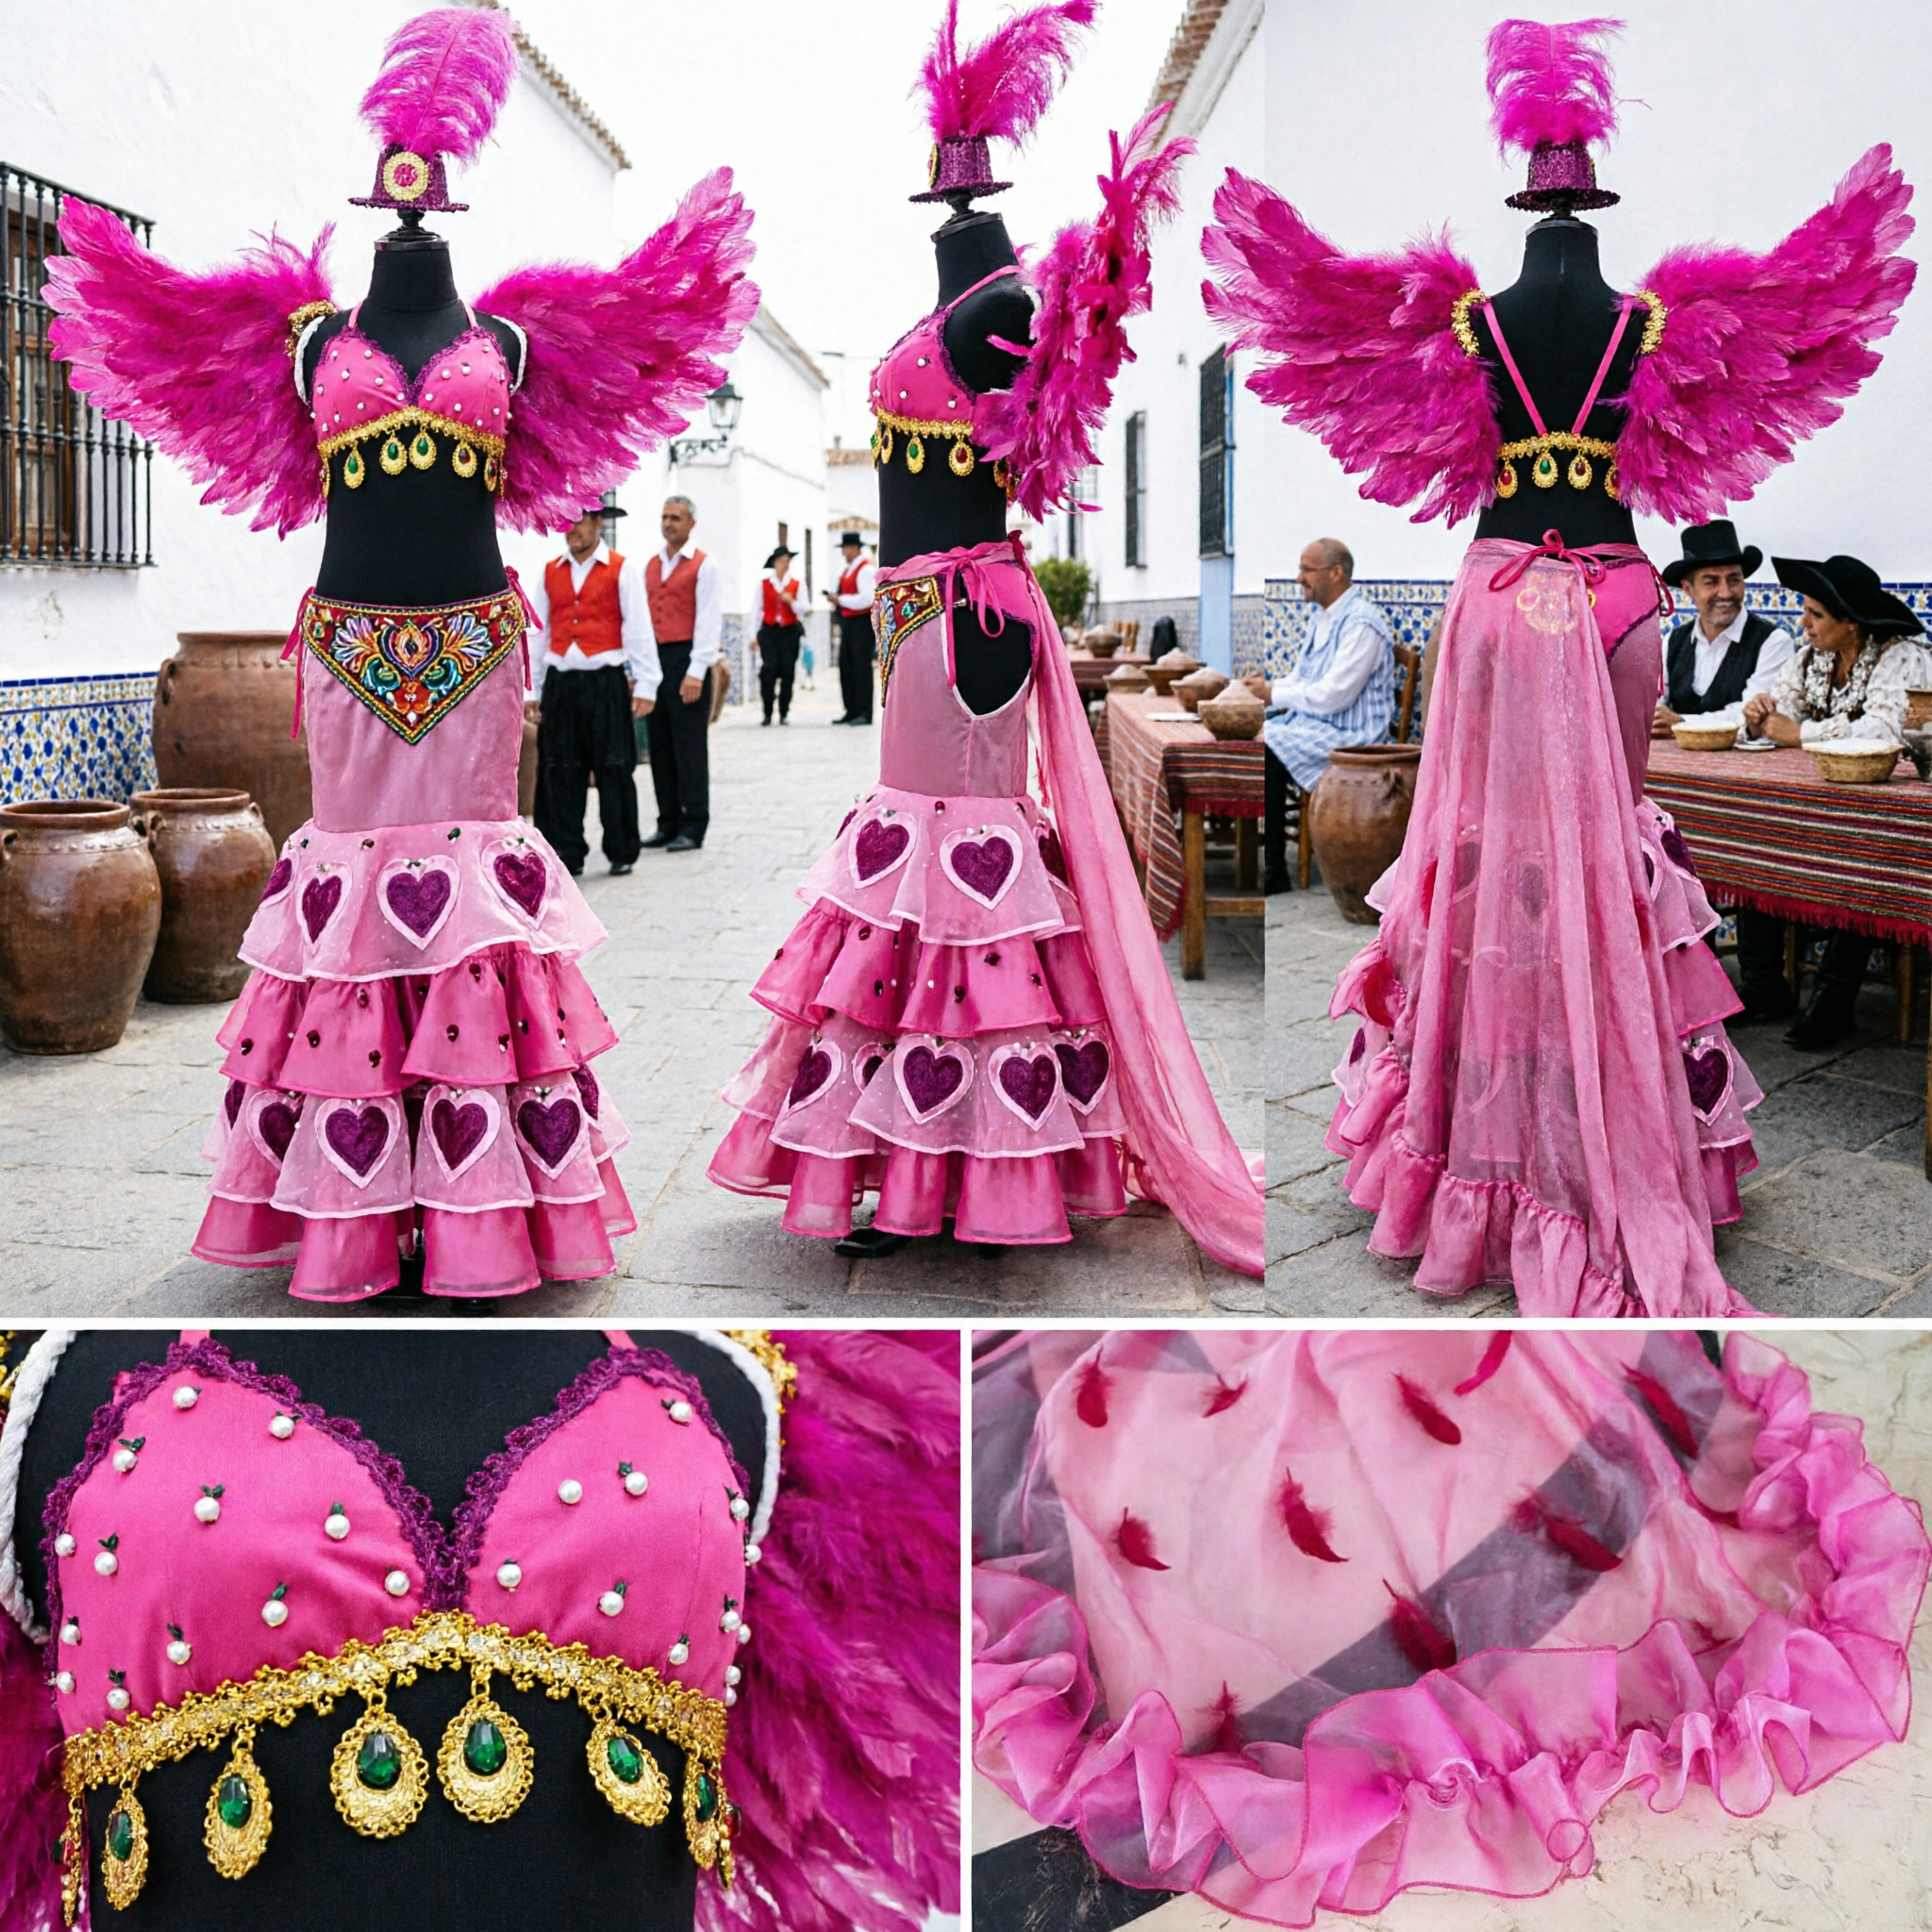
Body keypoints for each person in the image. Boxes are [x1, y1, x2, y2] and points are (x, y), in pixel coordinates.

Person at [1206, 18, 1913, 1313]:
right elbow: (1805, 317)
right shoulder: (1650, 326)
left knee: (1490, 863)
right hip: (1618, 597)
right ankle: (1613, 1132)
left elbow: (1319, 323)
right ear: (1595, 192)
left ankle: (1488, 1136)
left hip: (1491, 596)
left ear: (1528, 192)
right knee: (1594, 859)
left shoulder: (1471, 326)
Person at [1737, 554, 1932, 1047]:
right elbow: (1780, 711)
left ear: (1851, 623)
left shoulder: (1902, 653)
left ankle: (1834, 997)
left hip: (1885, 808)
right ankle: (1764, 986)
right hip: (1821, 799)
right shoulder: (1811, 658)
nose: (1803, 623)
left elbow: (1891, 727)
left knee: (1866, 858)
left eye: (1815, 614)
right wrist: (1760, 714)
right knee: (1757, 838)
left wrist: (1801, 733)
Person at [1648, 520, 1796, 1021]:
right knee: (1671, 857)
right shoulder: (1674, 642)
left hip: (1751, 792)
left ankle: (1761, 986)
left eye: (1734, 579)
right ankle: (1695, 981)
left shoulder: (1771, 641)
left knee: (1752, 861)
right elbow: (1656, 705)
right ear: (1687, 589)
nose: (1726, 593)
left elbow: (1751, 713)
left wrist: (1680, 721)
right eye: (1711, 582)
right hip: (1690, 789)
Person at [527, 501, 658, 875]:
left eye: (578, 521)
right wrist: (532, 691)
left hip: (605, 681)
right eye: (565, 522)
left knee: (614, 765)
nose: (571, 529)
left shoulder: (621, 569)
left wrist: (647, 684)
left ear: (597, 522)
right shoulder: (549, 571)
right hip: (561, 683)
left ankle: (621, 849)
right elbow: (538, 635)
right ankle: (564, 851)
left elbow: (638, 628)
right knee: (558, 768)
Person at [1263, 539, 1394, 892]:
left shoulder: (1361, 624)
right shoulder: (1322, 617)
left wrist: (1273, 694)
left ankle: (1273, 873)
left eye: (1307, 570)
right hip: (1316, 725)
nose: (1298, 578)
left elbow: (1335, 696)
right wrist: (1265, 689)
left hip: (1350, 734)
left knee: (1266, 748)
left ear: (1336, 573)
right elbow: (1303, 677)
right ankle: (1265, 861)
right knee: (1256, 735)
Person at [641, 493, 724, 852]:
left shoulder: (704, 565)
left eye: (676, 517)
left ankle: (694, 823)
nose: (669, 523)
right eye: (665, 517)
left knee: (689, 746)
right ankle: (667, 820)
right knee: (660, 744)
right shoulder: (650, 565)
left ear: (691, 523)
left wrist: (696, 671)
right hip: (655, 660)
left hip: (686, 658)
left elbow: (708, 620)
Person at [824, 529, 877, 723]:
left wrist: (841, 600)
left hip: (861, 623)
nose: (843, 552)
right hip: (848, 622)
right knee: (847, 666)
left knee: (861, 667)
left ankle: (864, 711)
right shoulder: (849, 569)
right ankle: (852, 709)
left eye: (845, 548)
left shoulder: (865, 570)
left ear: (854, 548)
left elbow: (867, 598)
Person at [755, 542, 807, 724]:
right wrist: (753, 635)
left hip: (789, 632)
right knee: (768, 670)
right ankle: (767, 711)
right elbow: (757, 610)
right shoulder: (764, 584)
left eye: (787, 561)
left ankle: (784, 711)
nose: (785, 564)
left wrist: (791, 601)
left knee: (787, 671)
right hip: (769, 631)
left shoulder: (797, 584)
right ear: (775, 563)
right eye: (782, 561)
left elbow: (804, 608)